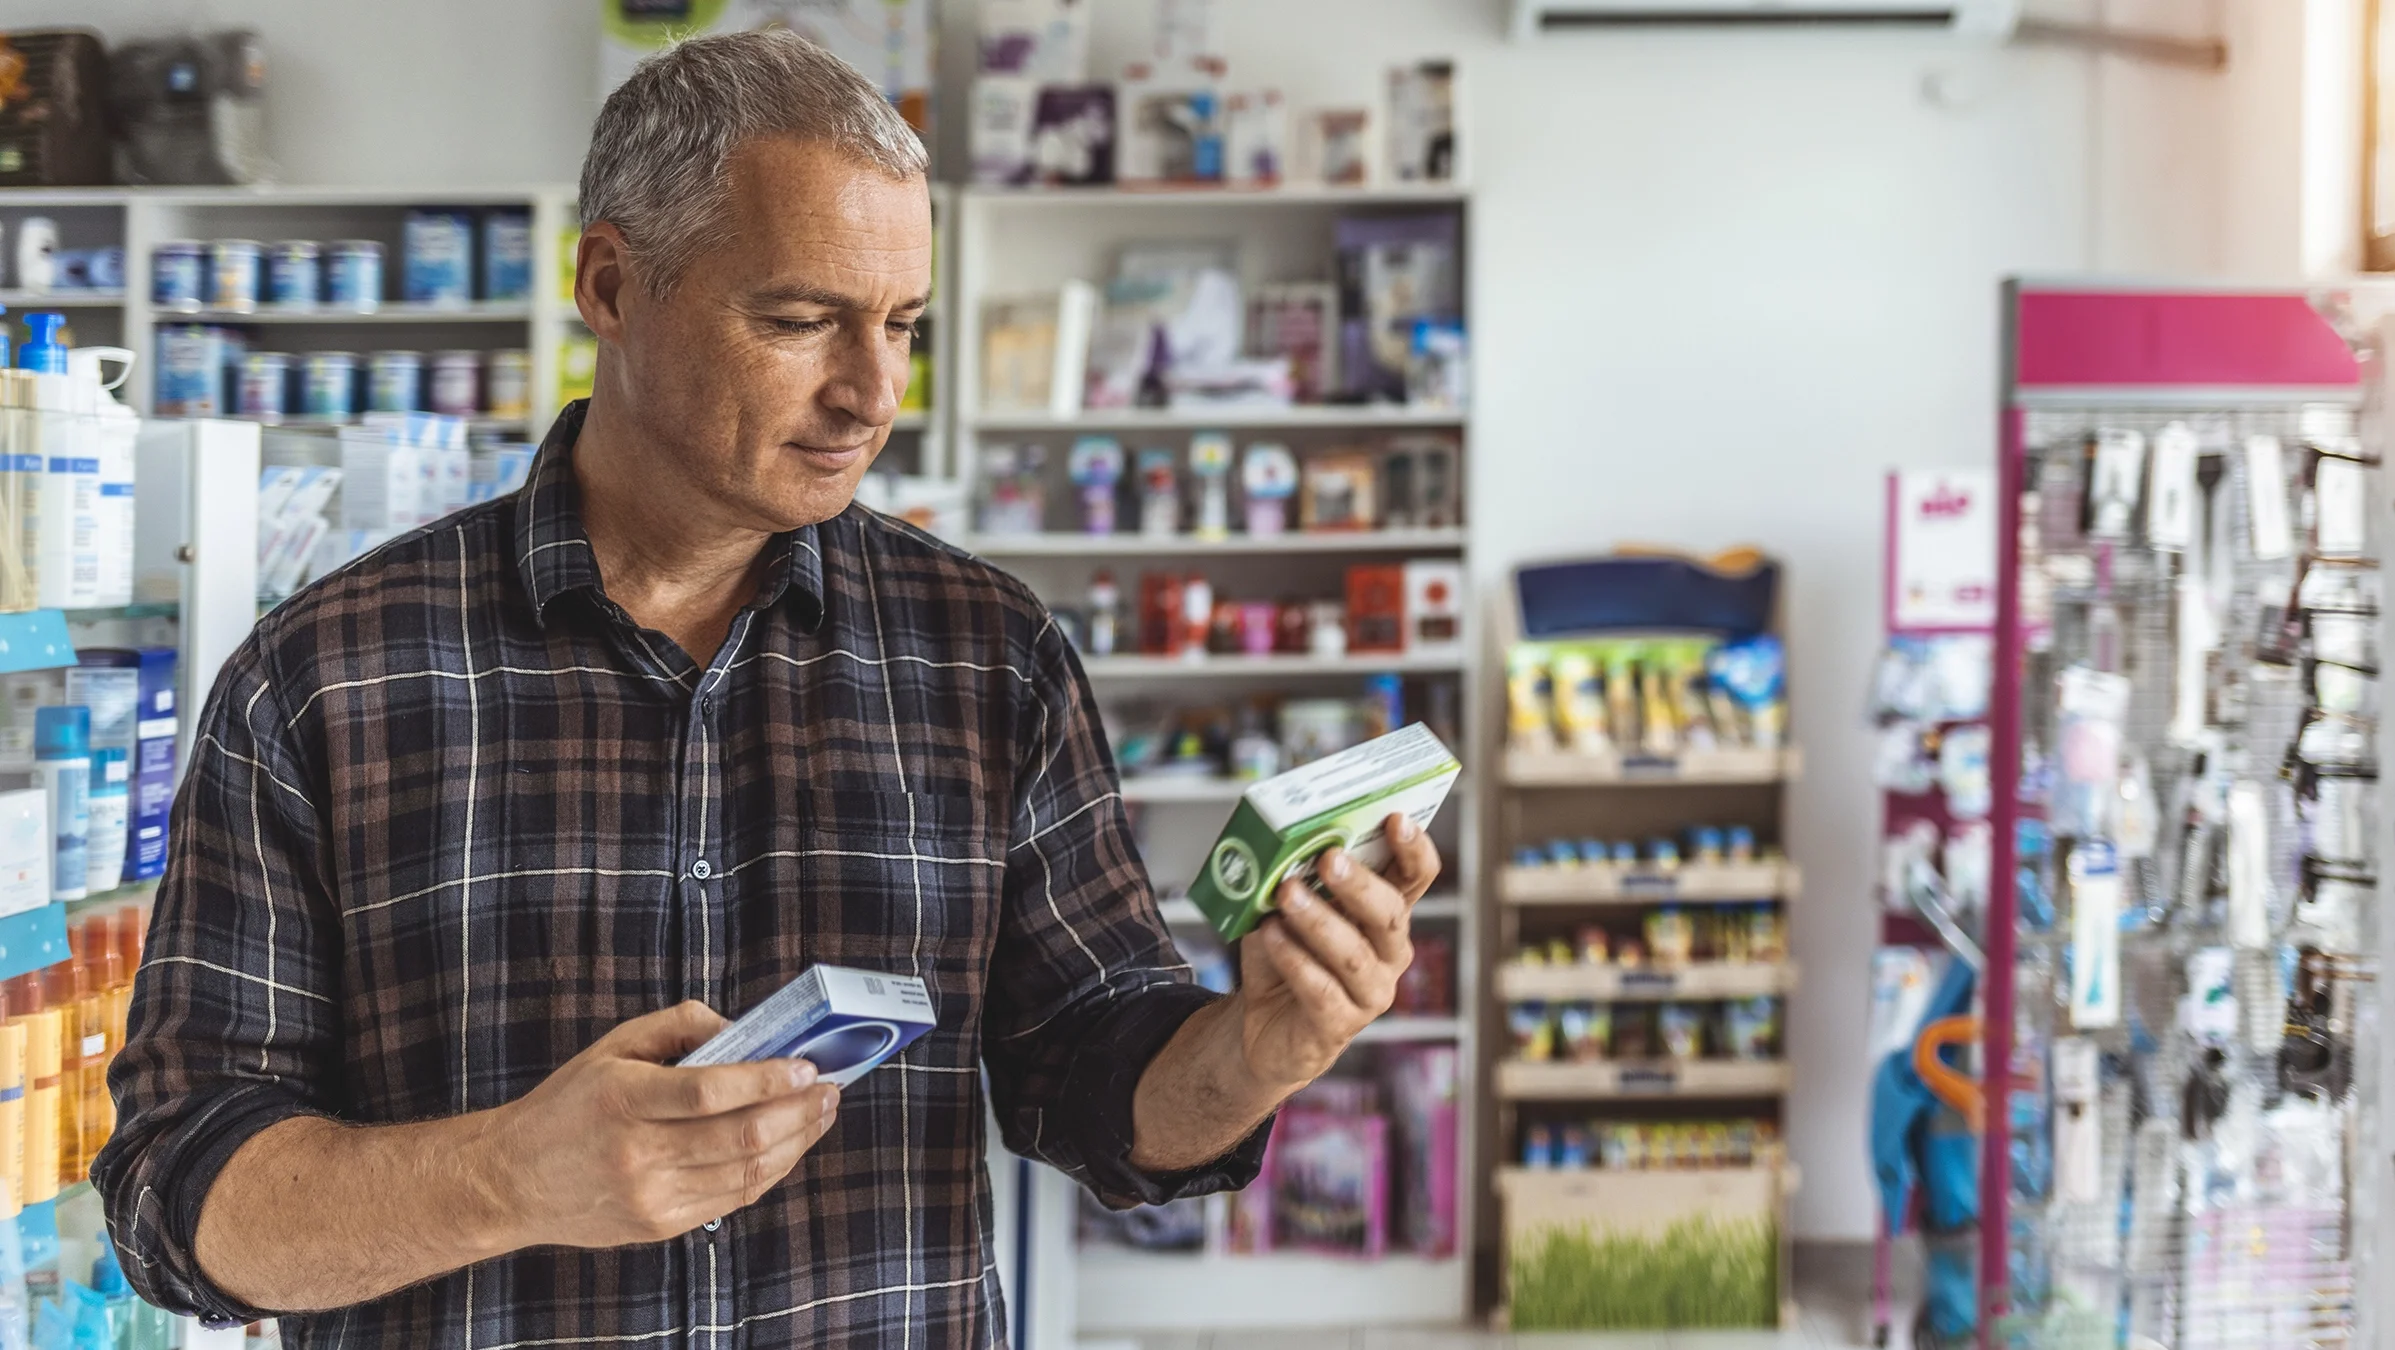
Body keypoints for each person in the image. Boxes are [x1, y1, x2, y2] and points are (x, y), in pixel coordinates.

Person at [93, 30, 1441, 1350]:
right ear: (613, 287)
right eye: (802, 319)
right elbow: (176, 1197)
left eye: (901, 325)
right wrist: (508, 1173)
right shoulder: (325, 677)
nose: (871, 393)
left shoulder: (988, 653)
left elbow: (1095, 1078)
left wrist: (1257, 1045)